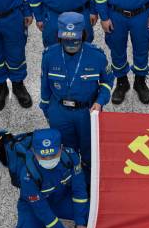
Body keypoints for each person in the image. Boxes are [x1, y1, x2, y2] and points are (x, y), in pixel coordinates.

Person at [13, 128, 103, 228]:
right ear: (33, 152)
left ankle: (80, 227)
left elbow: (79, 191)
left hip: (60, 199)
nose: (49, 160)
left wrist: (80, 221)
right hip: (34, 208)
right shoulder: (27, 175)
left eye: (53, 155)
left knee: (96, 214)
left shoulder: (71, 158)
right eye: (43, 157)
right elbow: (42, 211)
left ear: (61, 148)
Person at [40, 12, 113, 165]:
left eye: (75, 38)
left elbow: (107, 82)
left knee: (89, 151)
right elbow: (45, 86)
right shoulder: (49, 56)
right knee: (66, 153)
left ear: (83, 34)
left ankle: (87, 180)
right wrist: (47, 110)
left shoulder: (97, 56)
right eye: (67, 38)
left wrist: (100, 102)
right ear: (60, 36)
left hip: (87, 112)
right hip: (59, 112)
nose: (71, 43)